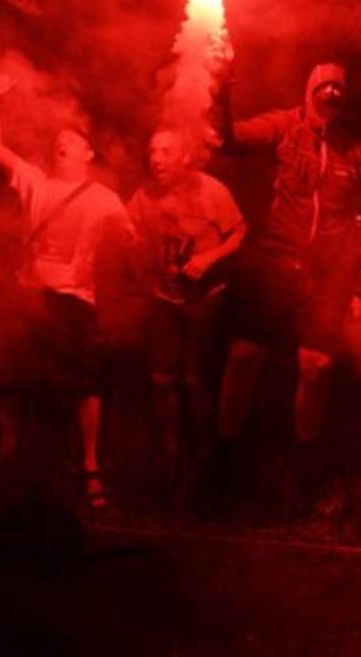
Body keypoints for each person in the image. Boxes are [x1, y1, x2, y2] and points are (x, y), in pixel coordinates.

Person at [214, 61, 361, 504]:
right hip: (273, 257)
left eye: (337, 88)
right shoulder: (283, 126)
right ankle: (223, 463)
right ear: (308, 92)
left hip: (324, 268)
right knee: (244, 356)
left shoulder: (357, 149)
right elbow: (230, 139)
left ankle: (304, 469)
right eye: (321, 86)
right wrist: (222, 89)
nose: (329, 93)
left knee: (317, 366)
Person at [0, 74, 133, 510]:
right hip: (30, 297)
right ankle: (11, 458)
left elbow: (130, 241)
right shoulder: (35, 181)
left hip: (76, 302)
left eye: (71, 138)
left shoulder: (105, 198)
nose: (60, 142)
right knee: (15, 379)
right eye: (58, 139)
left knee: (87, 383)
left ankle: (89, 467)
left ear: (88, 154)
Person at [126, 127, 245, 506]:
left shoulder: (211, 190)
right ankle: (171, 454)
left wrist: (208, 259)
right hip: (164, 297)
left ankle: (206, 461)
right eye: (152, 150)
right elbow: (127, 230)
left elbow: (240, 232)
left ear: (184, 157)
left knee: (194, 381)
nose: (156, 158)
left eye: (166, 151)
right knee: (162, 379)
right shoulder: (145, 196)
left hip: (204, 299)